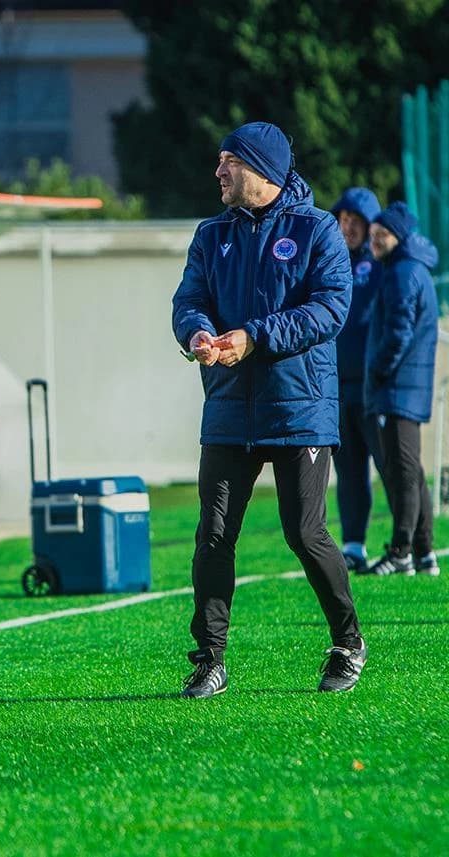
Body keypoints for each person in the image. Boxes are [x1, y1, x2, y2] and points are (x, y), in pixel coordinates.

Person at [172, 121, 366, 699]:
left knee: (304, 533)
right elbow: (189, 300)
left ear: (262, 169)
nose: (219, 171)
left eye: (229, 160)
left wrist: (253, 337)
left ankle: (347, 642)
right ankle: (209, 658)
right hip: (229, 408)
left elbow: (330, 309)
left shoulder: (317, 231)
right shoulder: (211, 235)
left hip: (299, 409)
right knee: (212, 535)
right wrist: (199, 334)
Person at [362, 202, 440, 577]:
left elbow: (399, 333)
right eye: (373, 233)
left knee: (403, 471)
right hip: (406, 386)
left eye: (383, 234)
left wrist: (377, 371)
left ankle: (402, 551)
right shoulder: (409, 269)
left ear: (400, 237)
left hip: (398, 388)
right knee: (412, 470)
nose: (375, 240)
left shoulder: (401, 274)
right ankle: (425, 553)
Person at [329, 188, 385, 572]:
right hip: (336, 387)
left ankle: (413, 545)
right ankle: (353, 545)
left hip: (374, 387)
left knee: (392, 467)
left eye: (355, 221)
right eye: (343, 219)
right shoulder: (328, 263)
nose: (347, 227)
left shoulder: (382, 266)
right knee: (348, 471)